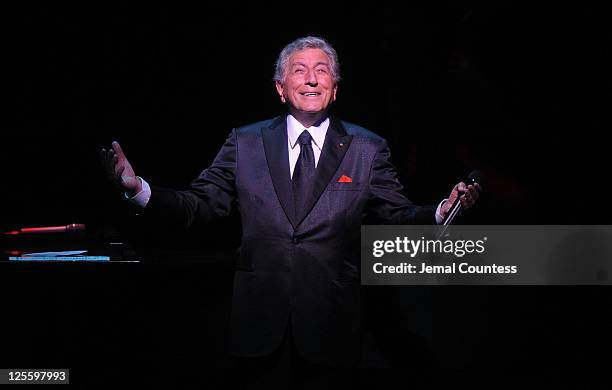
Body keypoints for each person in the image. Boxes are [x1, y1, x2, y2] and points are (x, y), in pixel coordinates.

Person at [100, 36, 481, 371]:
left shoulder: (368, 148)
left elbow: (395, 213)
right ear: (281, 88)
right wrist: (139, 190)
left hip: (332, 324)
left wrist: (438, 212)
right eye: (300, 71)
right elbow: (200, 203)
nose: (312, 79)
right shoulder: (245, 142)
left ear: (335, 87)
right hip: (257, 324)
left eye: (322, 71)